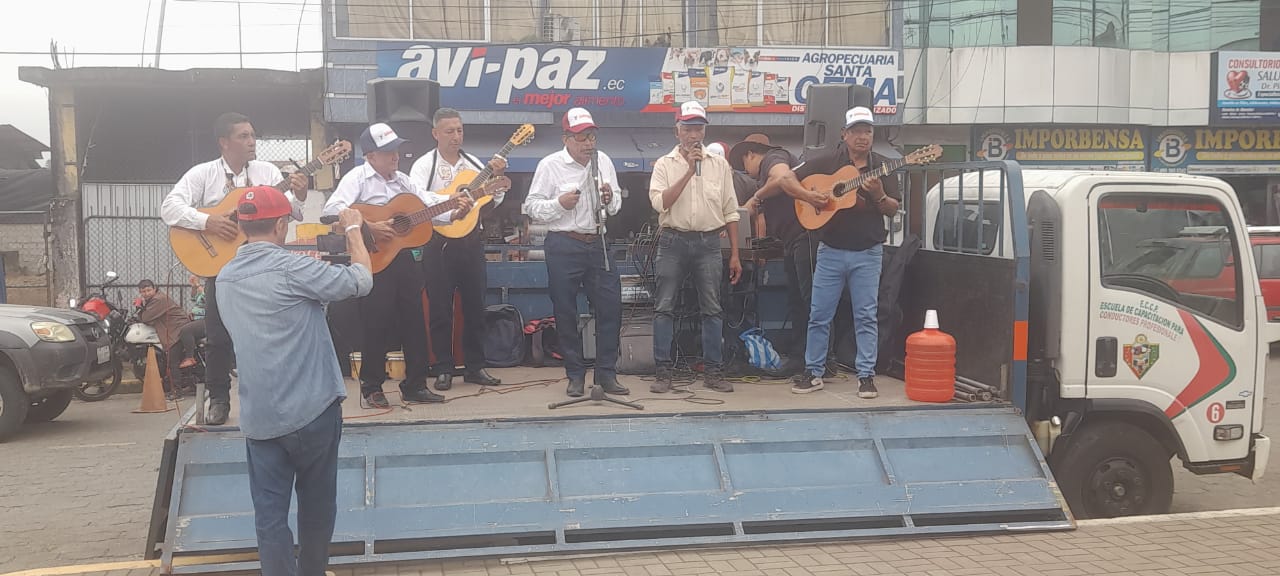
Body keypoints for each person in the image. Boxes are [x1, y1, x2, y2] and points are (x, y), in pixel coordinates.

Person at [216, 185, 373, 576]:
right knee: (316, 509)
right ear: (281, 225)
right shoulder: (292, 268)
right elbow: (360, 280)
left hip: (260, 418)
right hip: (312, 410)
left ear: (242, 225)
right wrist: (354, 230)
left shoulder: (224, 277)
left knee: (269, 517)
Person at [160, 112, 309, 425]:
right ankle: (219, 400)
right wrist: (208, 221)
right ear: (224, 142)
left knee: (268, 333)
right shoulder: (203, 174)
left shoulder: (268, 172)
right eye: (244, 136)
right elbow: (169, 208)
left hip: (262, 266)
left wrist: (299, 196)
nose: (252, 141)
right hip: (221, 267)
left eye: (253, 135)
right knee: (217, 337)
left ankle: (273, 397)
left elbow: (291, 213)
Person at [323, 123, 473, 409]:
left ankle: (415, 384)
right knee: (376, 322)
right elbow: (332, 210)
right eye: (388, 151)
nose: (395, 156)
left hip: (403, 256)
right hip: (374, 256)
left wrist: (454, 208)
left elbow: (428, 204)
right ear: (370, 156)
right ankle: (372, 387)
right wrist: (369, 226)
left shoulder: (403, 181)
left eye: (396, 150)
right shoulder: (357, 178)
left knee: (414, 319)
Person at [792, 106, 901, 397]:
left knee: (865, 315)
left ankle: (866, 375)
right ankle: (813, 372)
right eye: (856, 131)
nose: (862, 136)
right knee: (819, 314)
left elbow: (893, 209)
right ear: (844, 134)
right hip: (831, 249)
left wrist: (878, 194)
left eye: (867, 131)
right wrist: (809, 196)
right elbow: (787, 179)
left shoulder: (883, 166)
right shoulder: (826, 162)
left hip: (868, 251)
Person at [523, 108, 628, 398]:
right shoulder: (550, 165)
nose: (588, 143)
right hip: (564, 243)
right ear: (566, 139)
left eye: (591, 136)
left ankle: (606, 375)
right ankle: (575, 375)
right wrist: (559, 204)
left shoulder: (603, 161)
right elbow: (532, 206)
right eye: (581, 138)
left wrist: (610, 198)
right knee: (565, 311)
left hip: (598, 242)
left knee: (610, 308)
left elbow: (616, 205)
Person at [408, 108, 507, 391]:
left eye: (460, 130)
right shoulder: (424, 165)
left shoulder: (475, 164)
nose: (456, 136)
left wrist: (497, 182)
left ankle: (475, 366)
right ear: (435, 133)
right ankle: (443, 367)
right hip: (438, 240)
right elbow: (415, 197)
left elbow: (491, 200)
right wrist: (449, 199)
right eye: (449, 131)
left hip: (471, 241)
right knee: (440, 307)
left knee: (476, 305)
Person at [648, 101, 742, 394]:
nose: (693, 135)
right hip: (672, 240)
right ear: (677, 132)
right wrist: (689, 170)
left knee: (712, 308)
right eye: (688, 129)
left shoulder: (720, 165)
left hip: (709, 242)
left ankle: (713, 371)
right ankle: (663, 372)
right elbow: (660, 203)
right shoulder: (664, 164)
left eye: (698, 129)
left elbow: (731, 211)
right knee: (664, 307)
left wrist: (735, 254)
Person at [729, 137, 830, 379]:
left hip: (804, 236)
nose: (747, 172)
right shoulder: (766, 171)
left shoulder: (772, 159)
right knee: (797, 301)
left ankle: (818, 361)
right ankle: (801, 357)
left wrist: (757, 196)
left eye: (745, 164)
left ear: (751, 154)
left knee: (809, 302)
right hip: (791, 240)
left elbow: (782, 178)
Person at [135, 280, 203, 398]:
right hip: (174, 329)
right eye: (143, 292)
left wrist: (139, 306)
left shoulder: (158, 300)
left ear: (154, 289)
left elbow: (146, 317)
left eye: (148, 290)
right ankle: (187, 385)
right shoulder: (153, 300)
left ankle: (177, 392)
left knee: (172, 362)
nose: (146, 293)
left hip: (176, 330)